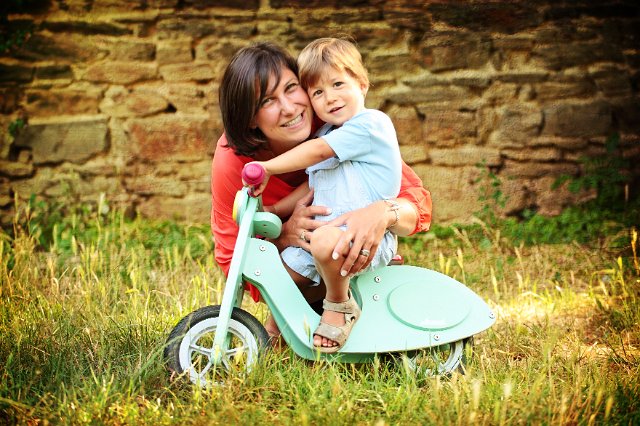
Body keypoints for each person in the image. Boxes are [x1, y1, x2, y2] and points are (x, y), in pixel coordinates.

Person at [210, 41, 432, 349]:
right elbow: (236, 253)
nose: (290, 108)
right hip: (313, 242)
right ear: (250, 117)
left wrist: (382, 212)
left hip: (343, 237)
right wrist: (280, 228)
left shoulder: (341, 124)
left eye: (291, 88)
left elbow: (414, 203)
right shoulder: (235, 161)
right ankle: (275, 332)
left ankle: (339, 305)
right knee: (280, 272)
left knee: (327, 243)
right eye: (268, 101)